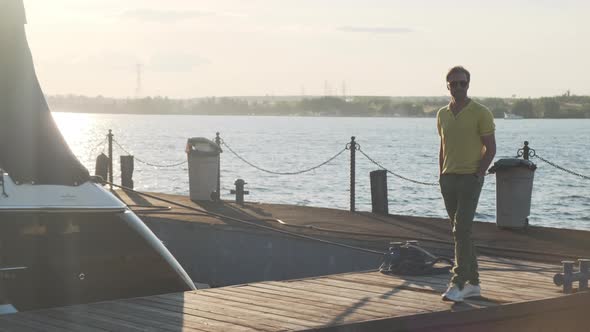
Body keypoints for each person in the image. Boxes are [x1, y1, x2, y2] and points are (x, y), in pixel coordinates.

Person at [437, 66, 496, 302]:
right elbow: (443, 146)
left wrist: (478, 174)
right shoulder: (442, 114)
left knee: (460, 229)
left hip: (470, 178)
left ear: (468, 85)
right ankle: (474, 283)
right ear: (448, 86)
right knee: (461, 232)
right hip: (448, 178)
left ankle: (459, 281)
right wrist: (441, 174)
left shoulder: (481, 112)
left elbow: (491, 148)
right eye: (454, 83)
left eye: (463, 83)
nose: (459, 87)